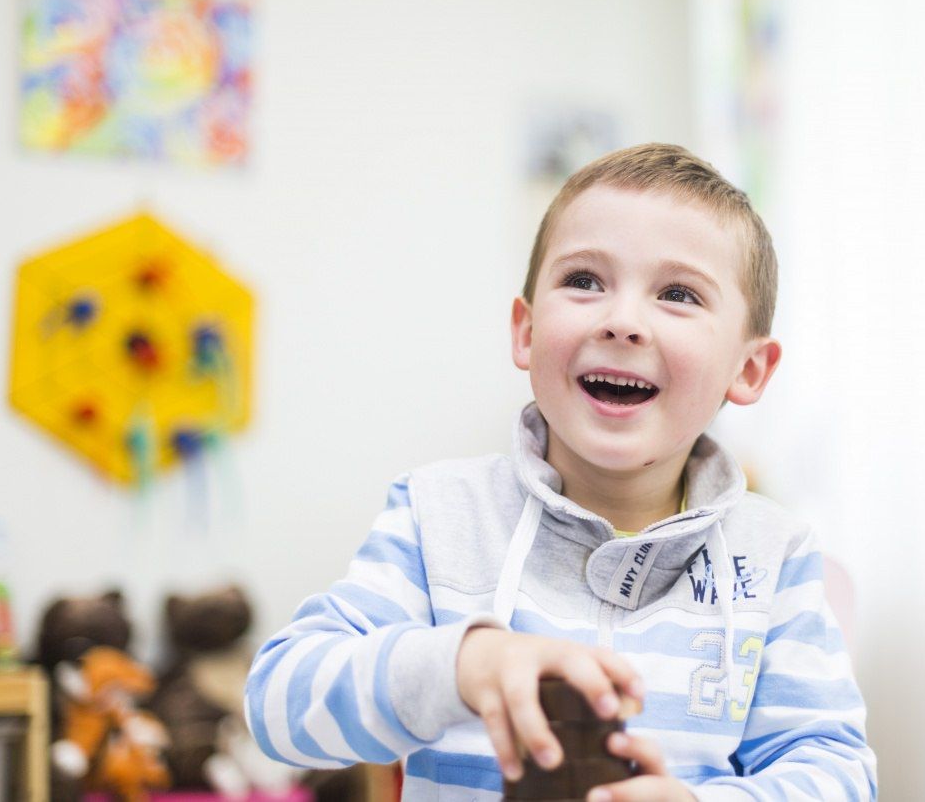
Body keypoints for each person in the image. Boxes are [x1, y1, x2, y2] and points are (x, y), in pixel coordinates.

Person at [245, 144, 878, 801]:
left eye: (678, 294)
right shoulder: (437, 515)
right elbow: (278, 705)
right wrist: (462, 663)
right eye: (584, 280)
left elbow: (837, 774)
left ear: (747, 369)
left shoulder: (777, 558)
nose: (622, 321)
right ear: (525, 331)